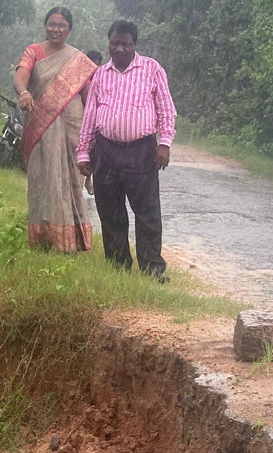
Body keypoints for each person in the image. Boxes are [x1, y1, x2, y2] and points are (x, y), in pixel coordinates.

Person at [76, 20, 176, 280]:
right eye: (114, 43)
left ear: (134, 44)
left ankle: (152, 269)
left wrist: (164, 143)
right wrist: (84, 152)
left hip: (141, 151)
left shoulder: (151, 69)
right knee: (110, 211)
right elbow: (90, 116)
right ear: (108, 43)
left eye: (125, 44)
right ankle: (118, 266)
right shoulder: (100, 75)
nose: (119, 49)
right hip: (106, 152)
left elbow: (166, 109)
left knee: (147, 212)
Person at [14, 7, 98, 252]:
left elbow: (89, 96)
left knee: (71, 182)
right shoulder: (34, 51)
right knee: (42, 181)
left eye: (61, 25)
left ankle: (71, 242)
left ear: (69, 30)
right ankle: (43, 240)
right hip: (40, 128)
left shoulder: (78, 61)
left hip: (73, 127)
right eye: (51, 24)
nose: (55, 29)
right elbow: (20, 76)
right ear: (45, 25)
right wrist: (24, 92)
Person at [82, 50, 103, 196]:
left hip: (94, 119)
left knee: (93, 151)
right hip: (79, 116)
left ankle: (88, 179)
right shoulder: (79, 77)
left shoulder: (101, 77)